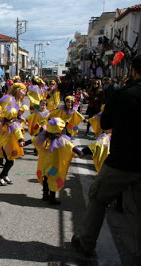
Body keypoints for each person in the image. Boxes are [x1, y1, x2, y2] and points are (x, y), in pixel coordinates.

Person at [71, 55, 141, 264]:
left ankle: (86, 243)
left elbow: (106, 122)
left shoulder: (125, 94)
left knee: (98, 197)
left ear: (134, 71)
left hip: (124, 160)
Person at [32, 118, 83, 204]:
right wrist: (80, 152)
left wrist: (23, 143)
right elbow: (71, 147)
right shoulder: (62, 140)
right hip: (55, 164)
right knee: (53, 179)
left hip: (45, 162)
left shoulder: (44, 137)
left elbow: (33, 140)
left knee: (45, 177)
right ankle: (52, 198)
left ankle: (45, 195)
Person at [0, 106, 25, 186]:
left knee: (9, 161)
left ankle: (5, 175)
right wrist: (21, 140)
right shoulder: (13, 124)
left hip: (6, 146)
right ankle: (0, 177)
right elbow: (18, 133)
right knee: (10, 162)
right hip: (8, 146)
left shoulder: (3, 124)